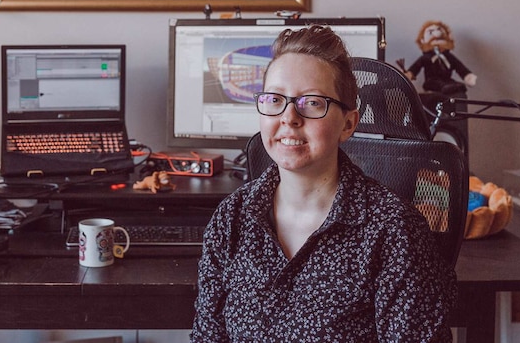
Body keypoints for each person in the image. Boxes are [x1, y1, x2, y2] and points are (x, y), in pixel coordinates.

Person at [191, 25, 456, 342]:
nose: (289, 117)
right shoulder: (231, 218)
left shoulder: (394, 231)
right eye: (275, 99)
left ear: (348, 124)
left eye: (312, 102)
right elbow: (208, 336)